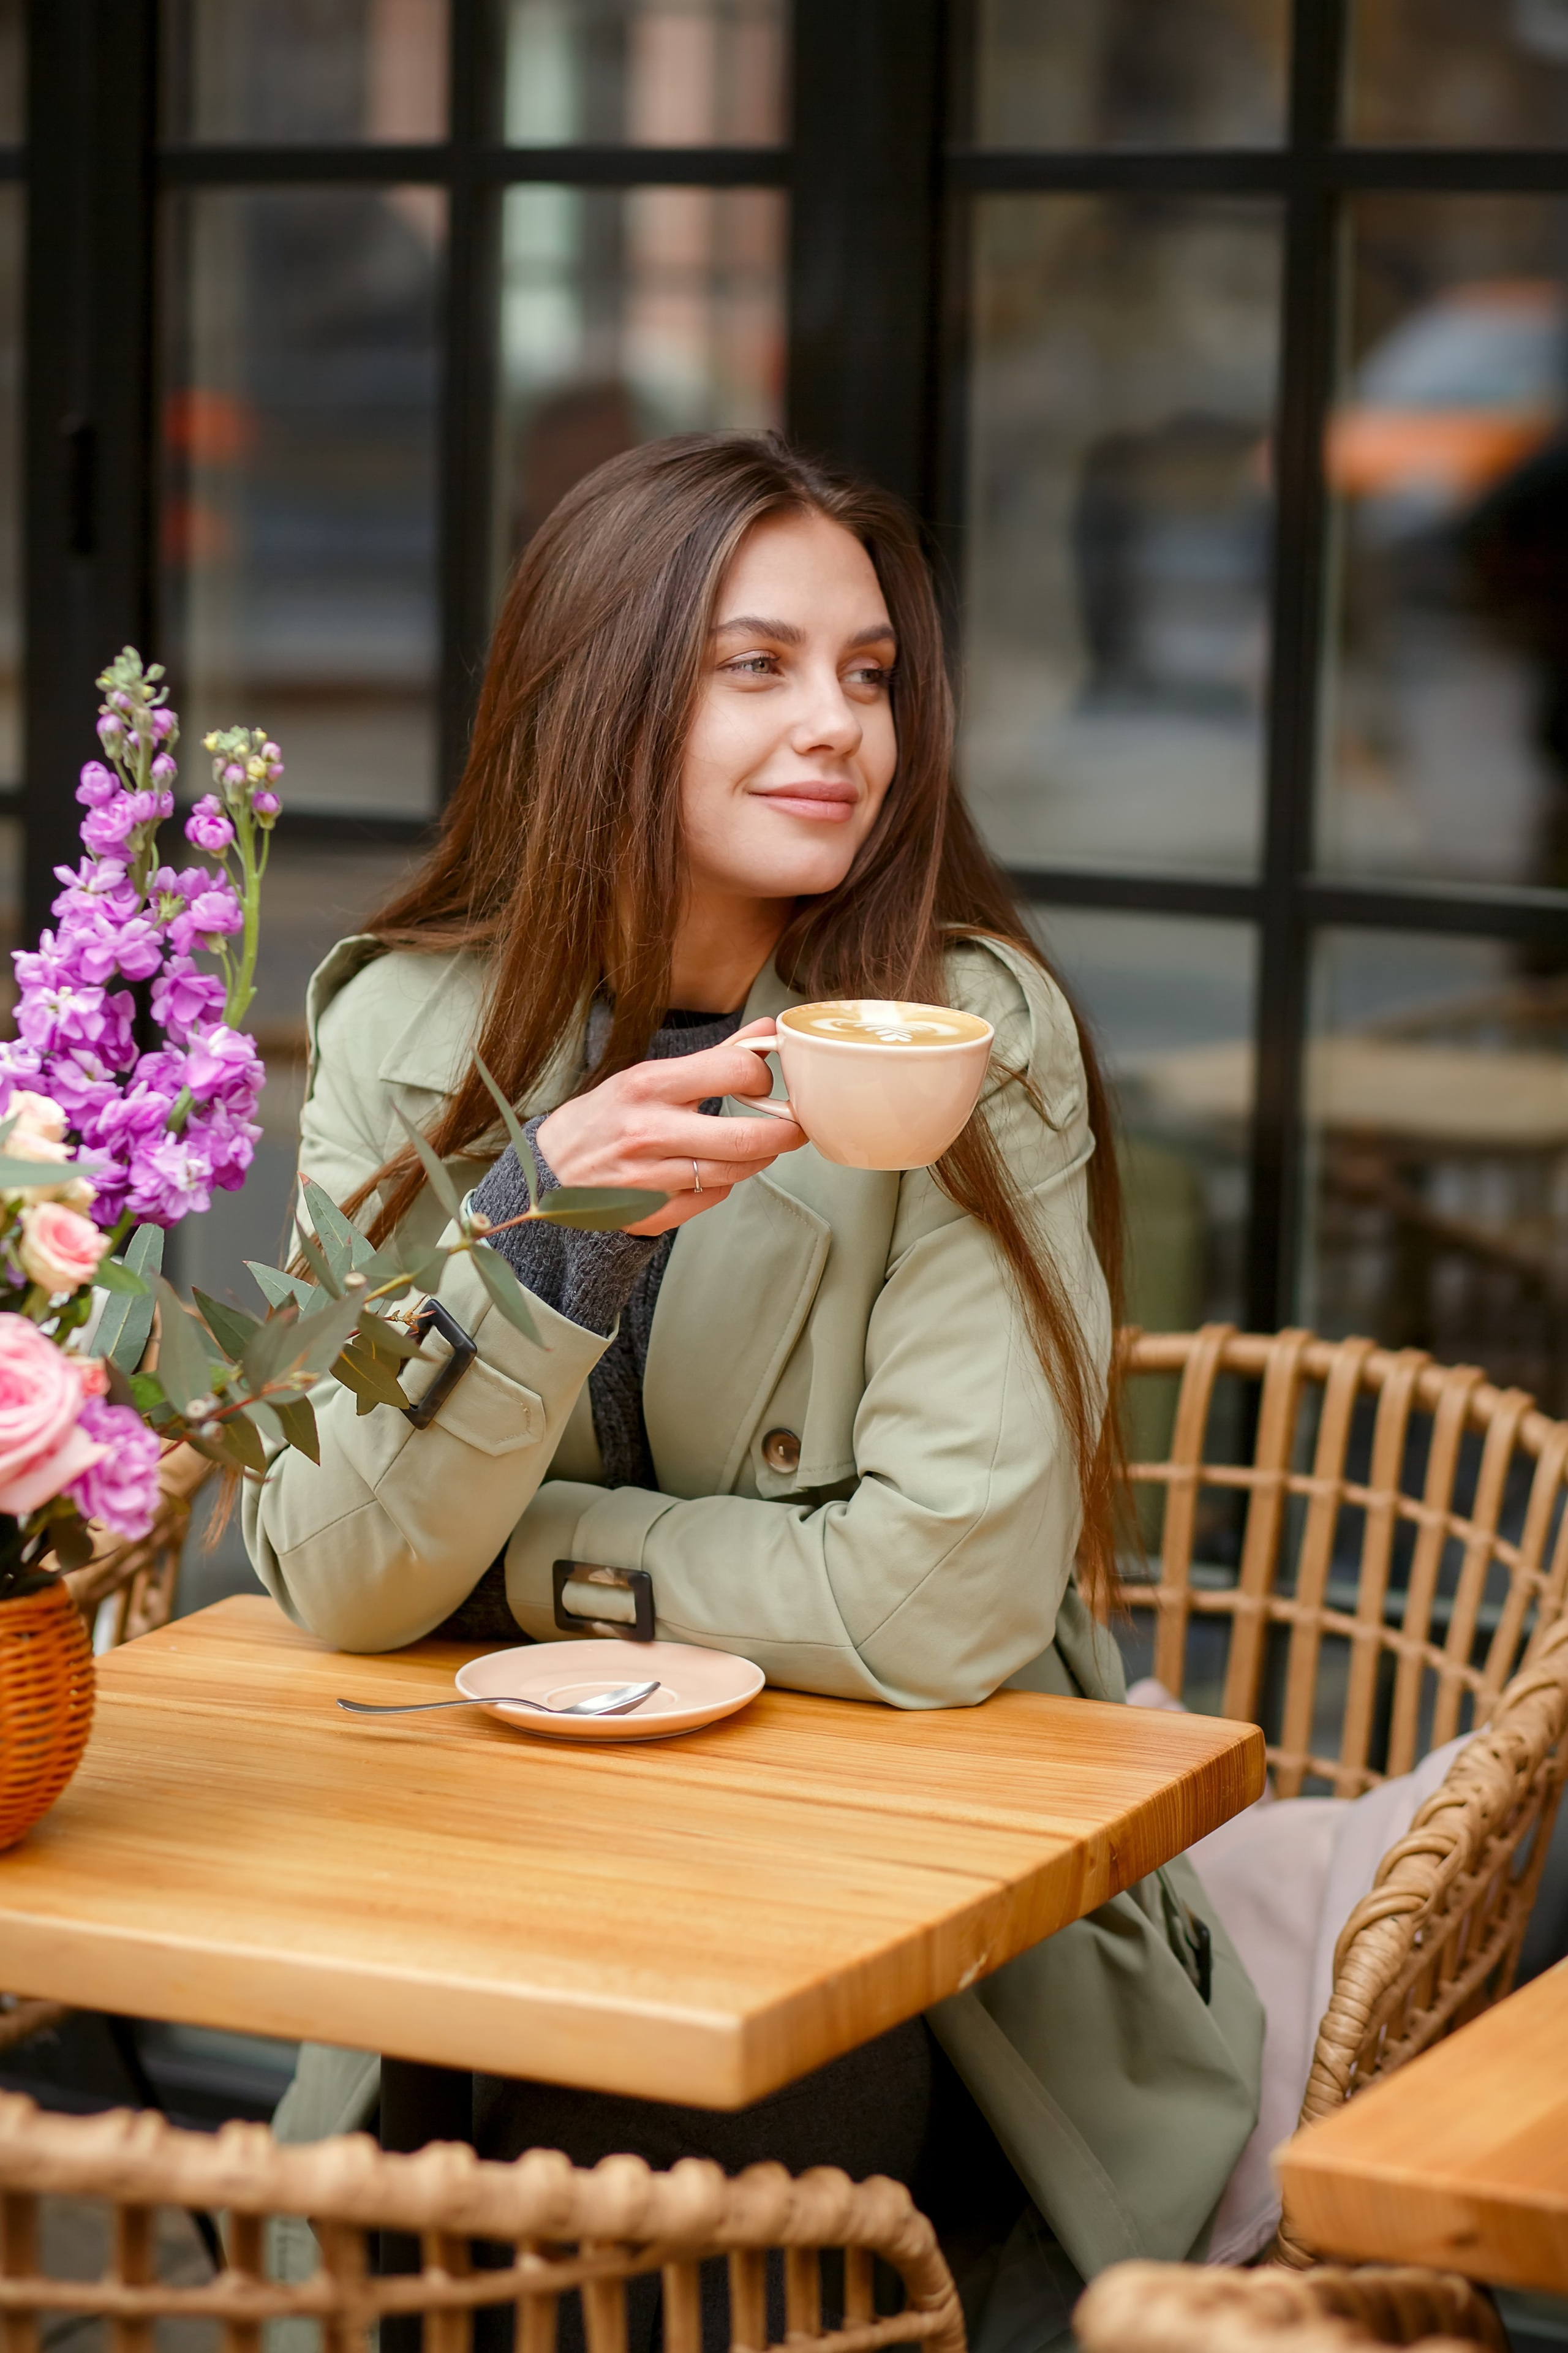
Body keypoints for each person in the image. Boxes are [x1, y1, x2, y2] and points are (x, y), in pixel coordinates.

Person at [246, 433, 1262, 2352]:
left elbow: (937, 1598)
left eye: (870, 674)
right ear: (604, 689)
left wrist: (522, 1562)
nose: (841, 729)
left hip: (916, 1943)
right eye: (758, 664)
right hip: (483, 1879)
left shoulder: (961, 1040)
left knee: (644, 2120)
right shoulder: (404, 1032)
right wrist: (549, 1235)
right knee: (478, 2144)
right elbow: (334, 1575)